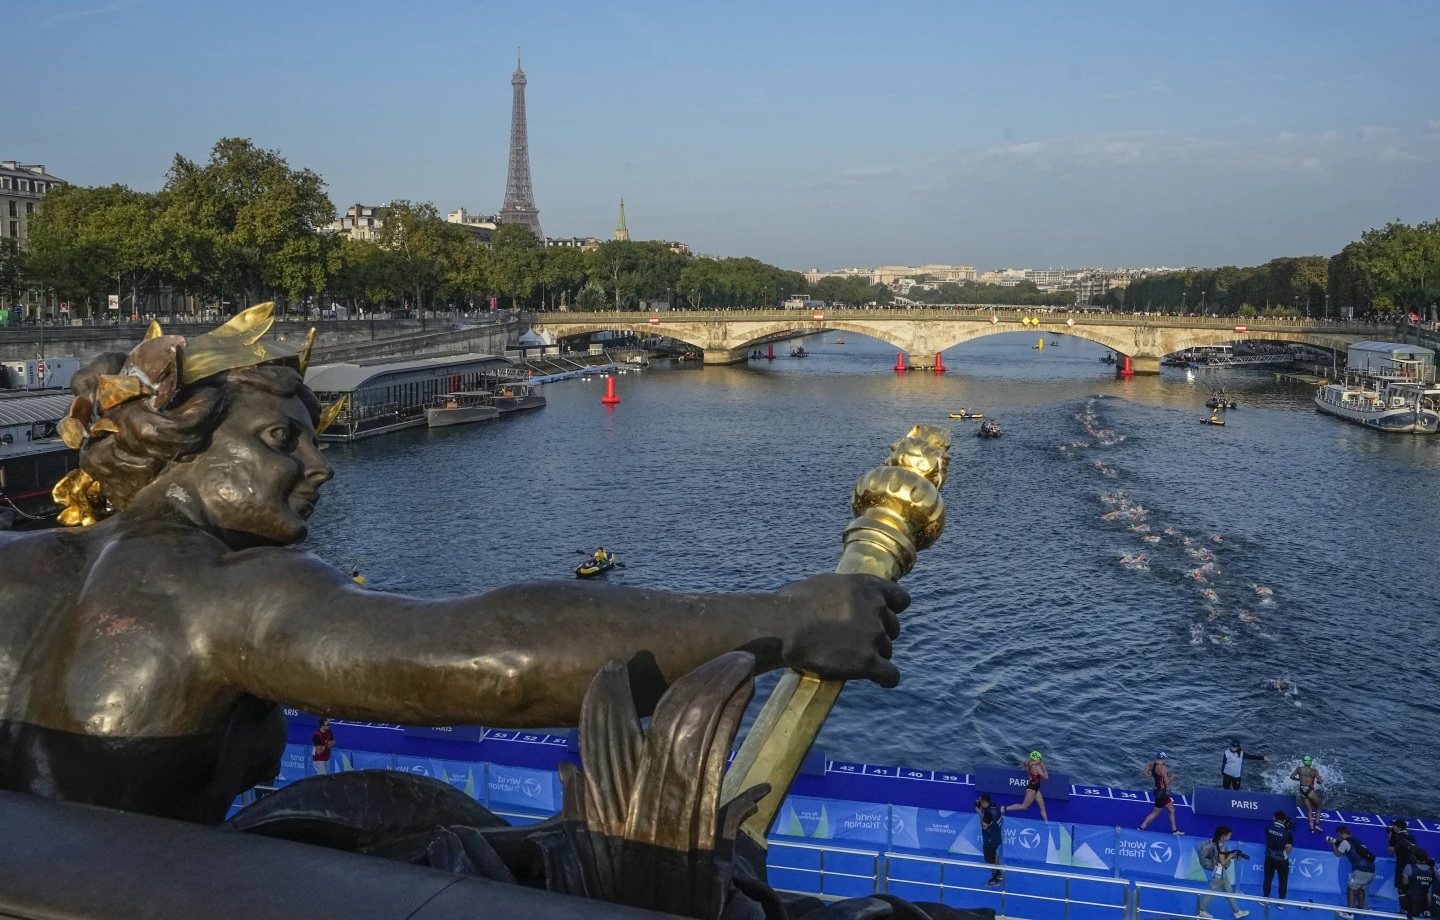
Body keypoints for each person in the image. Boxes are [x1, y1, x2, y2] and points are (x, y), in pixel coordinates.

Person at [0, 307, 910, 825]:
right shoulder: (221, 594)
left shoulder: (25, 566)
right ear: (182, 448)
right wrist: (787, 621)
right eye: (282, 440)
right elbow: (495, 657)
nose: (318, 467)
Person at [1197, 825, 1250, 919]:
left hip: (1221, 873)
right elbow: (1223, 862)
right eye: (1229, 836)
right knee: (1211, 893)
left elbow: (1220, 857)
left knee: (1229, 892)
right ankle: (1201, 910)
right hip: (1219, 874)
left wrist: (1233, 857)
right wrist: (1231, 856)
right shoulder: (1222, 847)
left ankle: (1237, 912)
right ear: (1223, 836)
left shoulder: (1215, 842)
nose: (1230, 837)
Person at [1327, 824, 1377, 918]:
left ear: (1343, 833)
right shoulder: (1357, 841)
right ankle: (1361, 910)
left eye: (1338, 835)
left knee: (1351, 889)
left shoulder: (1345, 842)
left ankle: (1349, 913)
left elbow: (1338, 854)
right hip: (1372, 869)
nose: (1338, 837)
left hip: (1361, 870)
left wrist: (1333, 844)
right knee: (1361, 889)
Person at [1139, 750, 1183, 835]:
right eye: (1166, 758)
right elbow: (1166, 782)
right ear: (1163, 758)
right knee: (1155, 813)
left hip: (1158, 790)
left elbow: (1145, 773)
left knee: (1172, 810)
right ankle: (1141, 828)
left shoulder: (1152, 764)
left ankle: (1174, 830)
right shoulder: (1163, 768)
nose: (1166, 760)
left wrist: (1155, 775)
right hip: (1161, 793)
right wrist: (1173, 777)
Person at [1003, 751, 1049, 822]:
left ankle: (1047, 824)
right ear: (1035, 759)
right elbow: (1046, 777)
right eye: (1039, 758)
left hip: (1035, 788)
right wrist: (1043, 766)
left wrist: (1025, 764)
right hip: (1032, 789)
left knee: (1042, 806)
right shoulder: (1037, 767)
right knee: (1024, 807)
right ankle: (1005, 808)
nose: (1041, 759)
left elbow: (1025, 768)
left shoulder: (1029, 763)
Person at [1263, 810, 1294, 904]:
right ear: (1284, 820)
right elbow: (1289, 850)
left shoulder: (1267, 828)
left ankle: (1266, 900)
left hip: (1269, 859)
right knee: (1283, 881)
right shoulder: (1287, 833)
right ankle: (1281, 902)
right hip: (1282, 861)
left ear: (1274, 817)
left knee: (1268, 880)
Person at [976, 793, 1004, 886]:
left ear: (984, 802)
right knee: (995, 856)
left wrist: (980, 814)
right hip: (996, 837)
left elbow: (984, 826)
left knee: (991, 859)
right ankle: (999, 873)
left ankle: (995, 879)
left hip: (990, 840)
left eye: (980, 802)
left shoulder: (988, 813)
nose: (979, 803)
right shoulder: (995, 807)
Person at [1400, 847, 1435, 920]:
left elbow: (1404, 883)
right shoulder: (1433, 870)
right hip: (1427, 901)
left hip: (1412, 901)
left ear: (1414, 857)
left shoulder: (1409, 867)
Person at [1392, 820, 1421, 907]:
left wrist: (1390, 838)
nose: (1393, 827)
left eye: (1394, 826)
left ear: (1399, 827)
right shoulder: (1412, 836)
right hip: (1413, 867)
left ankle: (1403, 910)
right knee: (1410, 889)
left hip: (1402, 866)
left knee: (1401, 889)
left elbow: (1390, 851)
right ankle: (1411, 910)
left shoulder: (1396, 836)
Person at [1291, 756, 1323, 832]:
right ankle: (1317, 825)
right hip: (1310, 791)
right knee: (1318, 807)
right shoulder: (1314, 771)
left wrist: (1299, 779)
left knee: (1309, 810)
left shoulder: (1299, 769)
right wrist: (1318, 781)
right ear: (1310, 762)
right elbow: (1320, 781)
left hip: (1302, 790)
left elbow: (1291, 777)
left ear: (1304, 762)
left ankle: (1312, 829)